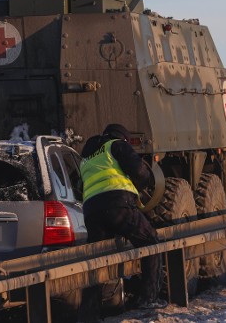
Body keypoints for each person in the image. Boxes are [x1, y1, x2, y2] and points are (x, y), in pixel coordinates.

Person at [77, 123, 166, 322]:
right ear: (122, 137)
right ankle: (148, 298)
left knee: (96, 261)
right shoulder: (117, 145)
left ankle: (89, 314)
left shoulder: (86, 158)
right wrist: (141, 186)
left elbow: (78, 186)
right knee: (150, 241)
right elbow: (141, 172)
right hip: (118, 206)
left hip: (92, 213)